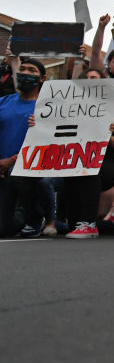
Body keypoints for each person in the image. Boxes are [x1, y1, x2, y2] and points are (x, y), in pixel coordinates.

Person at [63, 67, 114, 238]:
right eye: (85, 78)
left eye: (94, 78)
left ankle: (89, 225)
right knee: (72, 224)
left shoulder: (113, 108)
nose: (89, 81)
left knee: (88, 166)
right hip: (74, 162)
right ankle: (95, 225)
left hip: (106, 164)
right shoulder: (69, 108)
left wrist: (106, 134)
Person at [0, 57, 57, 237]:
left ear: (42, 79)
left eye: (32, 70)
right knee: (4, 229)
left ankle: (35, 217)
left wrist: (12, 160)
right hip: (1, 169)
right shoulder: (3, 102)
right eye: (22, 68)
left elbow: (50, 142)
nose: (25, 72)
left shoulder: (48, 108)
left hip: (26, 169)